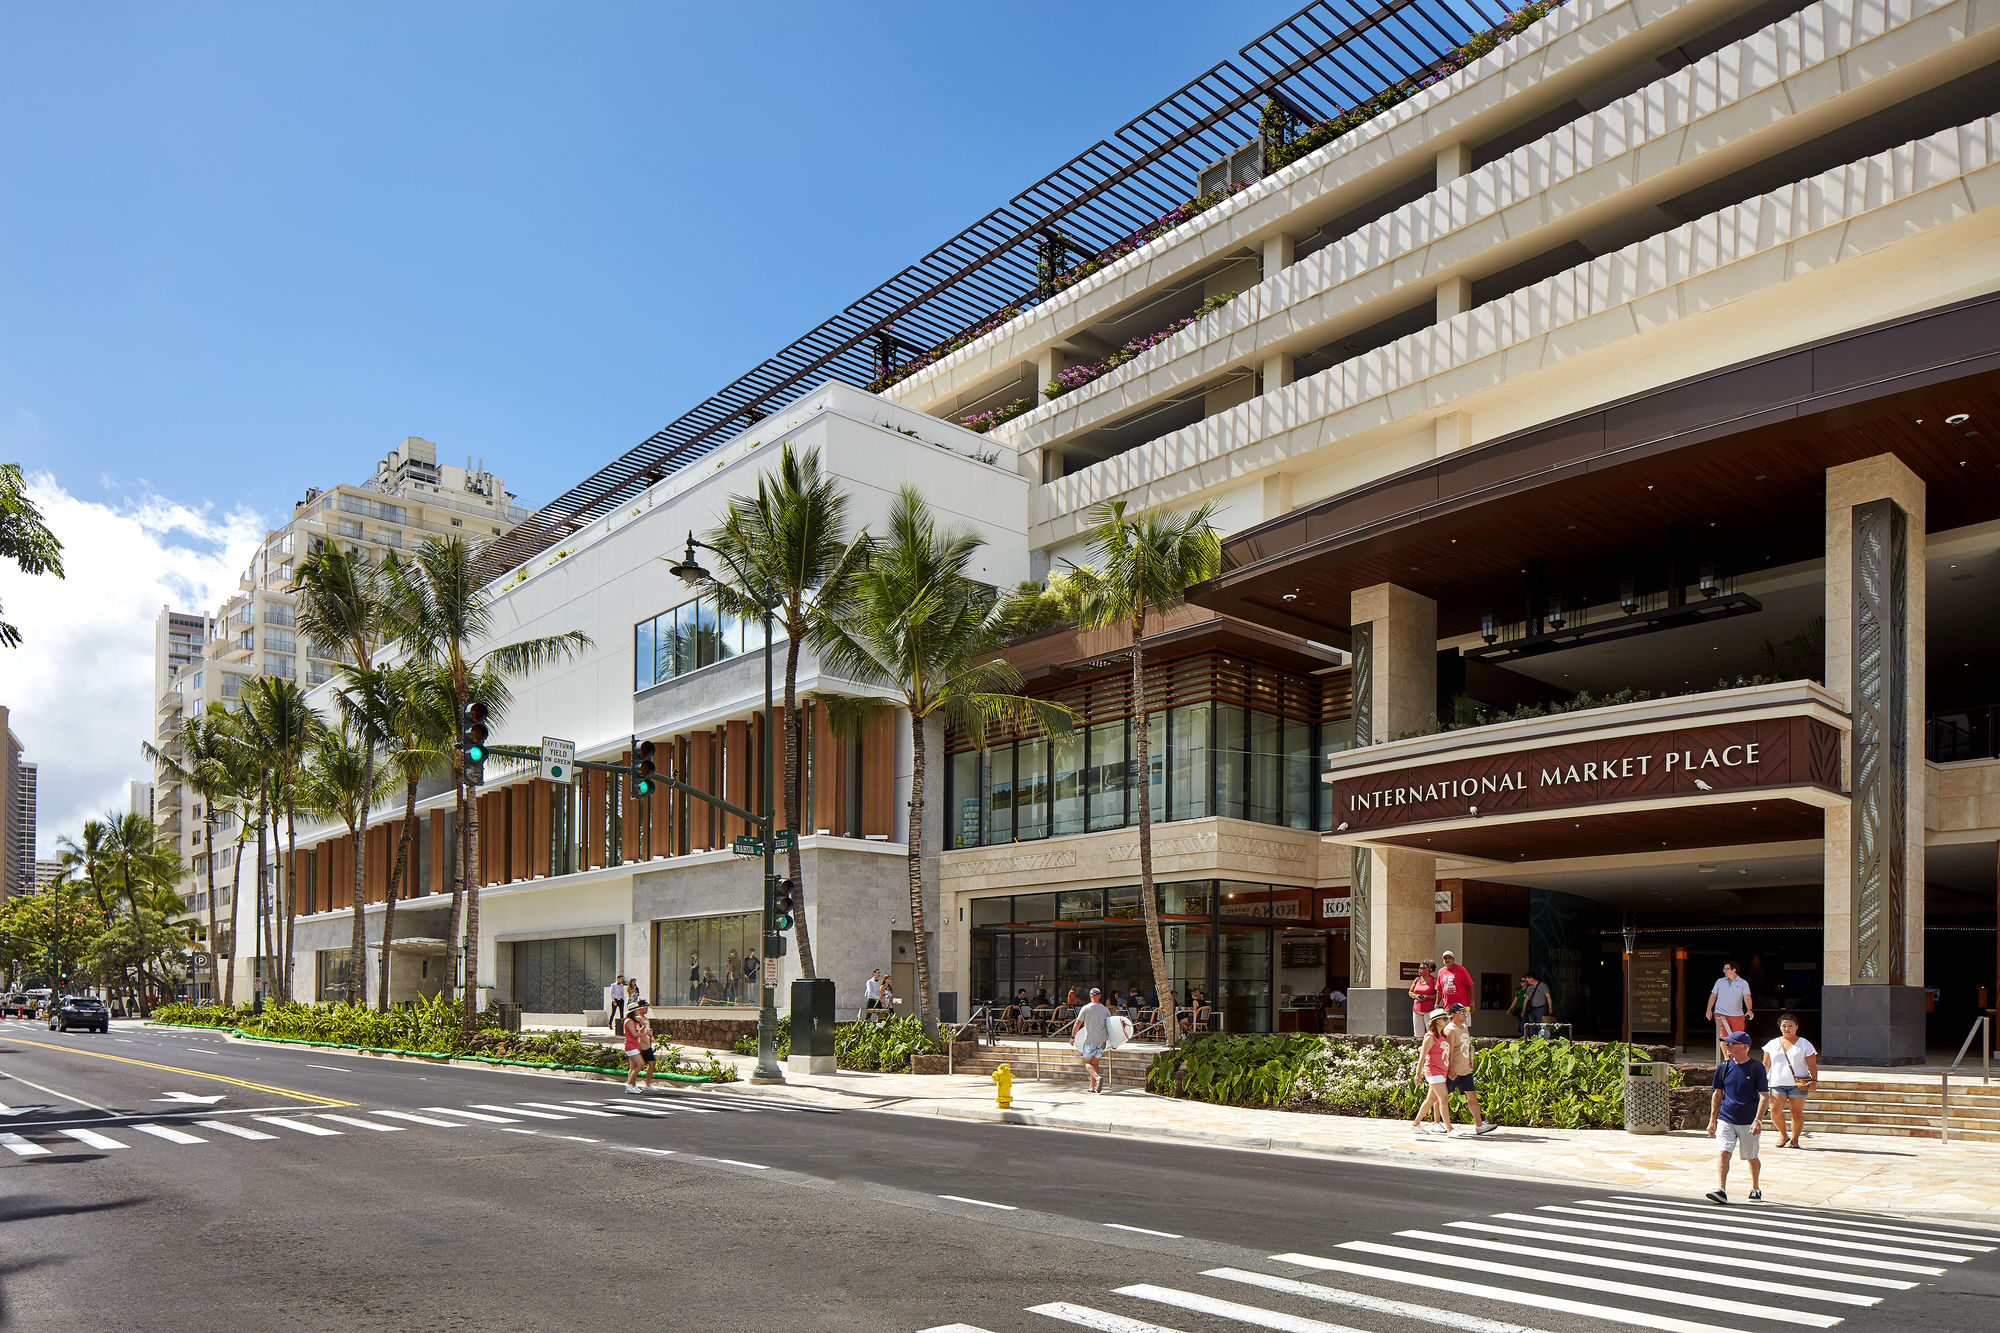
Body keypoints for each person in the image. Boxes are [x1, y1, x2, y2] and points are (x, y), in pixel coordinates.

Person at [1706, 1028, 1770, 1204]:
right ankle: (1721, 1189)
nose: (1728, 1046)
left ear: (1745, 1047)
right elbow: (1717, 1094)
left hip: (1748, 1121)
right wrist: (1712, 1121)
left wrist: (1758, 1120)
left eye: (1732, 1044)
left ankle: (1755, 1188)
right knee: (1724, 1152)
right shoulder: (1724, 1067)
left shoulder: (1756, 1068)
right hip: (1726, 1118)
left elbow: (1764, 1095)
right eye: (1727, 1043)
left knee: (1751, 1156)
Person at [1763, 1012, 1819, 1148]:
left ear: (1796, 1027)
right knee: (1775, 1110)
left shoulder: (1805, 1044)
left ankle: (1795, 1140)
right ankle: (1783, 1135)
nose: (1787, 1028)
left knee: (1796, 1112)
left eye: (1790, 1026)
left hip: (1798, 1084)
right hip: (1777, 1082)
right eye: (1784, 1026)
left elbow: (1812, 1064)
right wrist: (1760, 1080)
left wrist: (1814, 1080)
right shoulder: (1772, 1044)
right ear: (1780, 1027)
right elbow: (1766, 1064)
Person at [1445, 1003, 1495, 1135]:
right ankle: (1436, 1122)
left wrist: (1470, 1061)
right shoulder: (1450, 1030)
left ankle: (1479, 1125)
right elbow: (1448, 1051)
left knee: (1472, 1095)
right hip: (1453, 1071)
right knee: (1440, 1097)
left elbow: (1468, 1046)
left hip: (1465, 1070)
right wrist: (1450, 1069)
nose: (1464, 1015)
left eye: (1465, 1012)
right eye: (1461, 1012)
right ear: (1453, 1015)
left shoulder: (1464, 1028)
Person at [1412, 1009, 1453, 1134]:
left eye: (1447, 1019)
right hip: (1433, 1071)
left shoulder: (1443, 1036)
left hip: (1442, 1071)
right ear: (1436, 1021)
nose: (1447, 1021)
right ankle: (1450, 1129)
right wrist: (1418, 1074)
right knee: (1444, 1098)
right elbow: (1422, 1056)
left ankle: (1416, 1124)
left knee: (1430, 1100)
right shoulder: (1430, 1037)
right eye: (1444, 1019)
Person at [1075, 987, 1112, 1093]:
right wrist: (1114, 1042)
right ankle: (1092, 1087)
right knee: (1095, 1063)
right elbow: (1110, 1026)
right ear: (1099, 996)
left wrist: (1073, 1037)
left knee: (1087, 1062)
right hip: (1102, 1041)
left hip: (1090, 1040)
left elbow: (1078, 1023)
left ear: (1090, 996)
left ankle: (1097, 1078)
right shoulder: (1105, 1010)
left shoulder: (1086, 1008)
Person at [1707, 960, 1754, 1041]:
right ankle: (1727, 1054)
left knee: (1738, 1039)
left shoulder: (1743, 983)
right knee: (1723, 1037)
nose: (1724, 970)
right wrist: (1708, 1010)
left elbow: (1747, 997)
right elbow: (1713, 996)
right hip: (1720, 1013)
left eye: (1727, 969)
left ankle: (1733, 1054)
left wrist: (1749, 1010)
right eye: (1724, 968)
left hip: (1737, 1015)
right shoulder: (1719, 981)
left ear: (1734, 970)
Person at [623, 1001, 655, 1094]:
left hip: (634, 1045)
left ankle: (632, 1085)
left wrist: (643, 1027)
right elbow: (634, 1034)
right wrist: (645, 1033)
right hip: (631, 1046)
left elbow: (637, 1032)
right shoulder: (629, 1021)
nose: (638, 1011)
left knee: (634, 1066)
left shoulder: (633, 1021)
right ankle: (629, 1084)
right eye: (637, 1010)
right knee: (640, 1064)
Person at [1407, 962, 1439, 1039]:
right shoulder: (1417, 980)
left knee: (1431, 1033)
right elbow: (1410, 992)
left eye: (1422, 968)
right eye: (1419, 968)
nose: (1419, 970)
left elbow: (1438, 995)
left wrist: (1427, 997)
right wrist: (1416, 996)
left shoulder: (1434, 980)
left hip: (1429, 1010)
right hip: (1417, 1010)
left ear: (1429, 969)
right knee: (1418, 1034)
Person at [1518, 970, 1552, 1036]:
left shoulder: (1542, 985)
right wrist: (1523, 1011)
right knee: (1531, 1026)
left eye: (1527, 978)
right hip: (1531, 1009)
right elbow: (1526, 999)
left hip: (1541, 1009)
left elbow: (1548, 996)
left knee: (1540, 1025)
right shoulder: (1529, 988)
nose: (1526, 980)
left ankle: (1541, 1039)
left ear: (1531, 978)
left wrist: (1550, 1007)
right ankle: (1533, 1039)